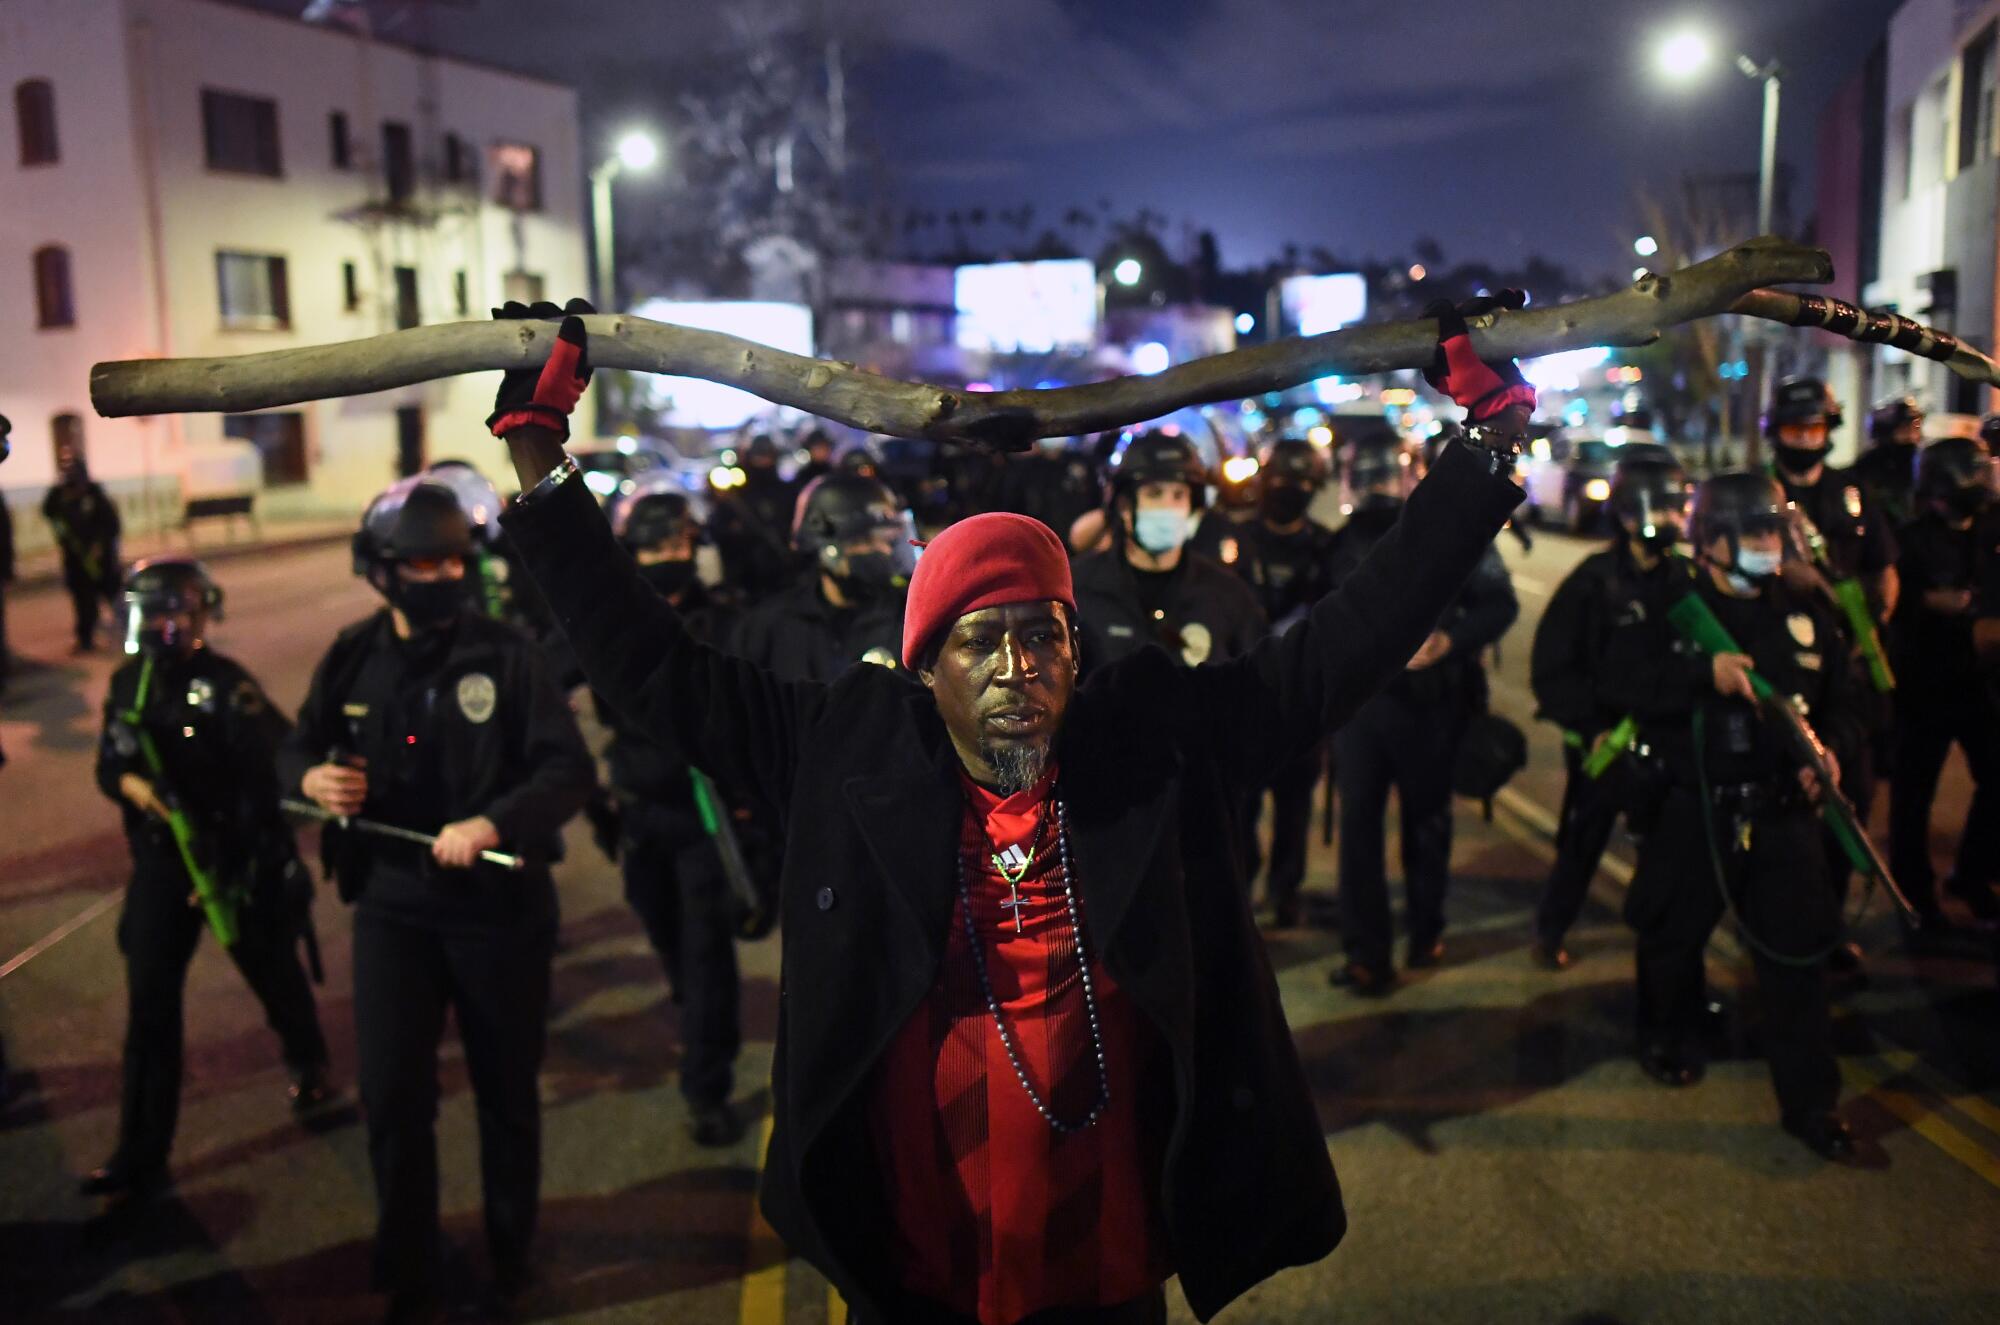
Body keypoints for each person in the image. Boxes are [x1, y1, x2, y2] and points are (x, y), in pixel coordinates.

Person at [486, 296, 1528, 1323]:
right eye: (979, 641)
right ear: (925, 663)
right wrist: (537, 449)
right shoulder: (843, 745)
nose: (1015, 669)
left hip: (1105, 1254)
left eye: (1043, 638)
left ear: (1079, 653)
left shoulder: (1148, 741)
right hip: (916, 1250)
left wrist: (1486, 442)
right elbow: (650, 665)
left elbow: (1340, 644)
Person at [281, 474, 594, 1320]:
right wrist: (313, 778)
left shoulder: (508, 652)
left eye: (454, 557)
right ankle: (408, 1264)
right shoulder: (350, 654)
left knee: (505, 1091)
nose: (442, 574)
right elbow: (295, 748)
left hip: (497, 914)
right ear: (382, 568)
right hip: (391, 911)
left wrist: (495, 822)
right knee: (393, 1096)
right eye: (423, 561)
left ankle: (510, 1250)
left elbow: (569, 769)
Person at [1615, 471, 1857, 1160]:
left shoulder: (1805, 606)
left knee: (1796, 961)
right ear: (1713, 539)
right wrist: (1703, 674)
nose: (1768, 544)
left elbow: (1851, 701)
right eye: (1753, 532)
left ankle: (1812, 1104)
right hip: (1695, 807)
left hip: (1783, 814)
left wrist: (1834, 751)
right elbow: (1618, 678)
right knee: (1670, 938)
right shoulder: (1668, 604)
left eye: (1773, 530)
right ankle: (1667, 1037)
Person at [84, 558, 331, 1199]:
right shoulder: (128, 685)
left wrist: (248, 853)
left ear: (201, 615)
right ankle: (140, 1154)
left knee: (273, 972)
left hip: (234, 862)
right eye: (155, 612)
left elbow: (281, 768)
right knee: (150, 1011)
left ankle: (309, 1062)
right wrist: (136, 789)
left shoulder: (227, 687)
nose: (167, 626)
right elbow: (110, 766)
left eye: (180, 612)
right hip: (165, 866)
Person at [1326, 437, 1518, 993]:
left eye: (1388, 477)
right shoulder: (1341, 543)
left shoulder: (1445, 532)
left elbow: (1498, 604)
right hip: (1361, 709)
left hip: (1432, 705)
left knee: (1427, 824)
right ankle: (1367, 953)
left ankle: (1426, 928)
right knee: (1359, 829)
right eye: (1370, 479)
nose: (1380, 489)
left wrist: (1448, 641)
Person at [597, 479, 747, 1146]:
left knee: (706, 950)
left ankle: (707, 1086)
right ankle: (696, 1019)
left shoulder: (722, 623)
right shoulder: (615, 626)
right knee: (667, 939)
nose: (669, 554)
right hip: (638, 811)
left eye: (680, 542)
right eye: (654, 546)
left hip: (702, 816)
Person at [1527, 454, 1690, 969]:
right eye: (1656, 509)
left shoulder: (1686, 580)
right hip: (1604, 743)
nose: (1668, 521)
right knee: (1582, 841)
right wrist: (1589, 726)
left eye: (1674, 508)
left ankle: (1661, 954)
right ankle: (1551, 931)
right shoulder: (1594, 581)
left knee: (1666, 858)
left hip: (1665, 742)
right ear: (1625, 515)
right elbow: (1553, 666)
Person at [1765, 375, 1897, 972]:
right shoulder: (1754, 494)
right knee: (1778, 806)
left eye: (1814, 429)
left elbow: (1883, 566)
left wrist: (1873, 615)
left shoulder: (1852, 493)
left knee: (1853, 800)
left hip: (1845, 675)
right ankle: (1771, 923)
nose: (1805, 440)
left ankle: (1831, 924)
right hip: (1778, 668)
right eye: (1794, 430)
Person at [1201, 437, 1340, 927]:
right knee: (1239, 807)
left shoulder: (1326, 549)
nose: (1289, 492)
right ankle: (1241, 886)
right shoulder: (1233, 542)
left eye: (1300, 484)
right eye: (1281, 482)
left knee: (1295, 807)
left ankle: (1286, 890)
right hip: (1243, 697)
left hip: (1301, 704)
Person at [1886, 435, 2000, 928]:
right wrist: (1927, 604)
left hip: (1981, 683)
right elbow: (1892, 603)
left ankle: (1972, 874)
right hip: (1925, 685)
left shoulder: (1992, 532)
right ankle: (1914, 895)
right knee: (1913, 797)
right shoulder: (1909, 540)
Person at [1069, 429, 1265, 673]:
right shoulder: (1080, 590)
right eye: (1154, 494)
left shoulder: (1227, 594)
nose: (1168, 507)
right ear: (1124, 507)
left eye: (1179, 495)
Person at [731, 470, 915, 680]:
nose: (885, 551)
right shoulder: (768, 629)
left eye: (888, 540)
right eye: (866, 541)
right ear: (829, 550)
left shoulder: (910, 618)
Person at [41, 445, 122, 653]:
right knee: (83, 602)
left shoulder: (95, 495)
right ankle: (85, 640)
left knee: (115, 598)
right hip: (76, 561)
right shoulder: (59, 496)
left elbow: (111, 525)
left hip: (101, 561)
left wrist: (100, 546)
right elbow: (48, 511)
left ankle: (127, 634)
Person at [709, 433, 799, 604]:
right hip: (748, 578)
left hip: (784, 572)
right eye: (759, 457)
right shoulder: (736, 495)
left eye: (767, 456)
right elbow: (718, 532)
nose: (763, 462)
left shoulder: (786, 491)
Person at [1851, 395, 1926, 533]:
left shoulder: (1921, 463)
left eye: (1916, 426)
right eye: (1906, 428)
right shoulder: (1869, 465)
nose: (1914, 435)